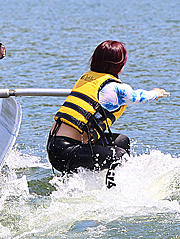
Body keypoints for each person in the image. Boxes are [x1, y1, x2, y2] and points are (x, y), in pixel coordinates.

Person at [47, 40, 169, 186]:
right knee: (119, 156)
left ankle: (96, 183)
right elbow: (139, 97)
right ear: (120, 64)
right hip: (66, 151)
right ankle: (113, 192)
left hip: (55, 146)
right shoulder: (114, 88)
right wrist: (156, 93)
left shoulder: (88, 78)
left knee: (121, 141)